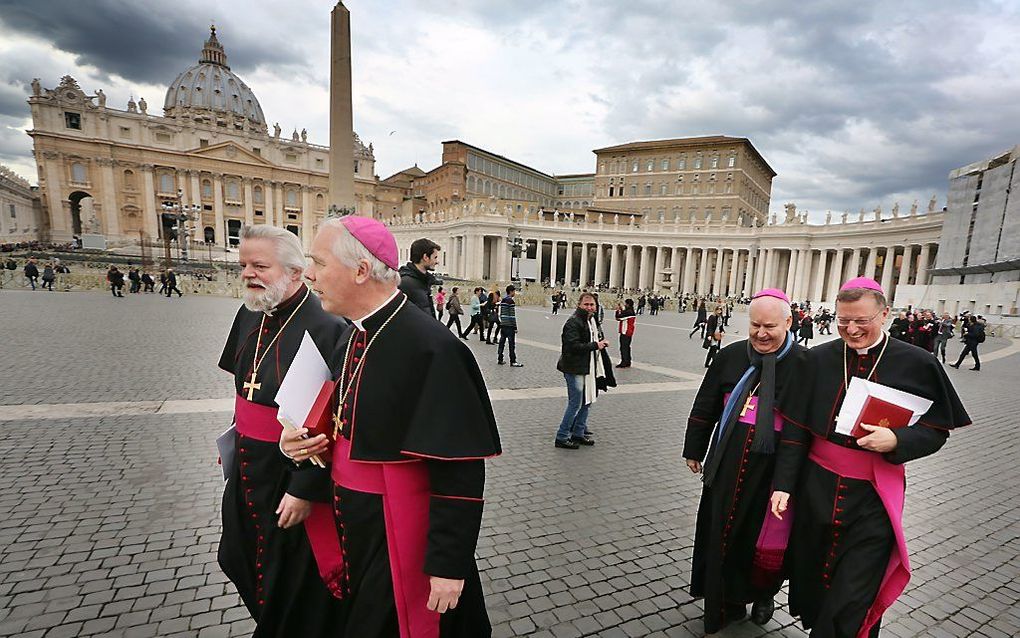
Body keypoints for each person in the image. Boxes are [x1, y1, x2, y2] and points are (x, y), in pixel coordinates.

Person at [280, 216, 501, 637]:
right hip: (358, 526)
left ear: (361, 271)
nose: (309, 274)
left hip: (401, 532)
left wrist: (448, 566)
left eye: (319, 263)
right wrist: (300, 445)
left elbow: (460, 468)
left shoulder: (433, 347)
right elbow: (343, 424)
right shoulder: (352, 335)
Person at [774, 277, 970, 638]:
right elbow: (796, 431)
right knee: (814, 584)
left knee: (854, 596)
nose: (851, 329)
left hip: (874, 498)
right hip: (816, 490)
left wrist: (898, 438)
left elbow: (936, 431)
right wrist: (783, 485)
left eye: (861, 321)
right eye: (843, 320)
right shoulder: (817, 360)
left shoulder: (918, 363)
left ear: (885, 314)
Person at [216, 224, 347, 638]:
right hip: (247, 468)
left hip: (288, 476)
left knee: (288, 574)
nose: (248, 274)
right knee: (237, 555)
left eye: (260, 266)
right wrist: (234, 439)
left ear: (294, 272)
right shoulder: (249, 312)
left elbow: (334, 420)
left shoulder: (327, 326)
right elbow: (246, 388)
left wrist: (305, 487)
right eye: (243, 265)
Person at [683, 288, 810, 634]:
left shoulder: (804, 364)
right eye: (755, 325)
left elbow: (806, 428)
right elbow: (707, 401)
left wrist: (788, 481)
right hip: (726, 463)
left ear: (788, 322)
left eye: (770, 326)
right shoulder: (731, 356)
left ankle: (764, 592)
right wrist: (694, 447)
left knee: (761, 541)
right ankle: (725, 601)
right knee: (719, 533)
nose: (761, 334)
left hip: (771, 472)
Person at [554, 292, 615, 449]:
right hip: (575, 368)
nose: (589, 307)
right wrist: (596, 345)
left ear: (596, 306)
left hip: (589, 368)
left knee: (587, 402)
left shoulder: (592, 321)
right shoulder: (573, 322)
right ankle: (561, 436)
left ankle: (578, 433)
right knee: (575, 403)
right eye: (586, 304)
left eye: (592, 304)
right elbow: (572, 346)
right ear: (579, 305)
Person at [398, 237, 441, 317]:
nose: (437, 262)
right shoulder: (405, 283)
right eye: (435, 257)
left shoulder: (424, 280)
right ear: (425, 257)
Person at [497, 285, 523, 367]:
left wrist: (502, 321)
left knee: (502, 342)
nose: (514, 293)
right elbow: (512, 315)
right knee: (511, 344)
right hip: (509, 326)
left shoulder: (503, 300)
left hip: (503, 324)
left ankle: (500, 358)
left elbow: (501, 314)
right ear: (511, 291)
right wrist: (515, 327)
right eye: (514, 291)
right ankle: (513, 361)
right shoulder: (511, 301)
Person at [615, 298, 636, 368]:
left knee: (623, 347)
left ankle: (624, 362)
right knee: (627, 347)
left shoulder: (628, 312)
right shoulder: (631, 311)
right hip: (629, 332)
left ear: (628, 304)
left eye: (625, 304)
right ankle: (628, 361)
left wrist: (618, 310)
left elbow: (618, 317)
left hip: (625, 331)